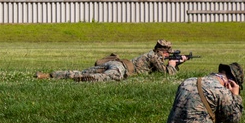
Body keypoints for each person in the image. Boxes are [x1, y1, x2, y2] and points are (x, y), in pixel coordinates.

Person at [36, 40, 184, 82]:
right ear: (164, 52)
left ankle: (49, 75)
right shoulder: (154, 57)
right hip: (121, 70)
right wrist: (173, 65)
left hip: (117, 63)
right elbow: (165, 75)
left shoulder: (150, 54)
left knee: (82, 71)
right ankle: (86, 79)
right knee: (102, 78)